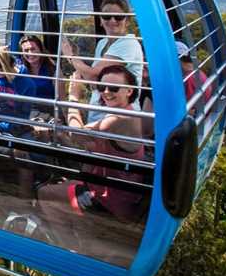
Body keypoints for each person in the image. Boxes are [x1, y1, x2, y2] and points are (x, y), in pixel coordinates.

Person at [31, 65, 147, 263]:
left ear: (130, 91)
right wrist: (58, 135)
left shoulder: (120, 118)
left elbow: (77, 133)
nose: (107, 93)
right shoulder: (123, 114)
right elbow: (89, 146)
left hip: (112, 199)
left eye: (113, 88)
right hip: (114, 188)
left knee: (45, 193)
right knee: (64, 184)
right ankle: (79, 236)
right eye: (102, 88)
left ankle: (69, 250)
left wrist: (73, 96)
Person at [61, 0, 144, 123]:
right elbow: (93, 81)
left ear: (127, 21)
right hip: (98, 112)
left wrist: (70, 56)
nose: (112, 20)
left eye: (118, 17)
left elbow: (93, 74)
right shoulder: (102, 43)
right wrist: (77, 60)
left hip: (118, 116)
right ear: (100, 20)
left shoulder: (128, 44)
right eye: (106, 16)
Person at [18, 35, 66, 114]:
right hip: (25, 109)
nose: (30, 53)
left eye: (33, 49)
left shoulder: (52, 68)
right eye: (26, 50)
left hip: (47, 110)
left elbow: (61, 99)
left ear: (41, 49)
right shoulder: (18, 67)